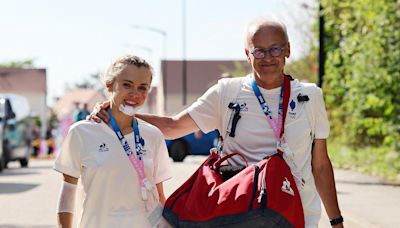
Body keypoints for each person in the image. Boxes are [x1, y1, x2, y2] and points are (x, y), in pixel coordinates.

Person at [91, 16, 343, 227]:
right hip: (240, 215)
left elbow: (320, 165)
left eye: (275, 48)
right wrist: (117, 115)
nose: (268, 57)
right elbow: (174, 126)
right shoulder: (227, 92)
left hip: (298, 216)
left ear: (287, 49)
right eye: (259, 50)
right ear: (247, 53)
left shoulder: (310, 96)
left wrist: (336, 221)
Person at [54, 54, 172, 228]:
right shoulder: (81, 132)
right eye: (127, 85)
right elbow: (67, 196)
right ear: (110, 85)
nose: (135, 93)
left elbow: (159, 196)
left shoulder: (153, 135)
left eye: (143, 87)